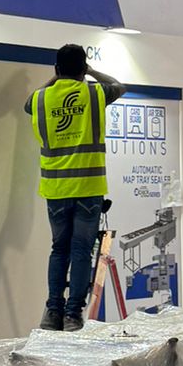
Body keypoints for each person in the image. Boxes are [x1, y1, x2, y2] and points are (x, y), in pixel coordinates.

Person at [24, 44, 125, 331]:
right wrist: (91, 72)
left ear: (57, 69)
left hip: (56, 189)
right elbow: (119, 86)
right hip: (88, 188)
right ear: (83, 69)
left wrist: (55, 79)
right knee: (81, 250)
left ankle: (52, 311)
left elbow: (28, 104)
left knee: (59, 249)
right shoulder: (94, 93)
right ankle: (72, 315)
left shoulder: (41, 98)